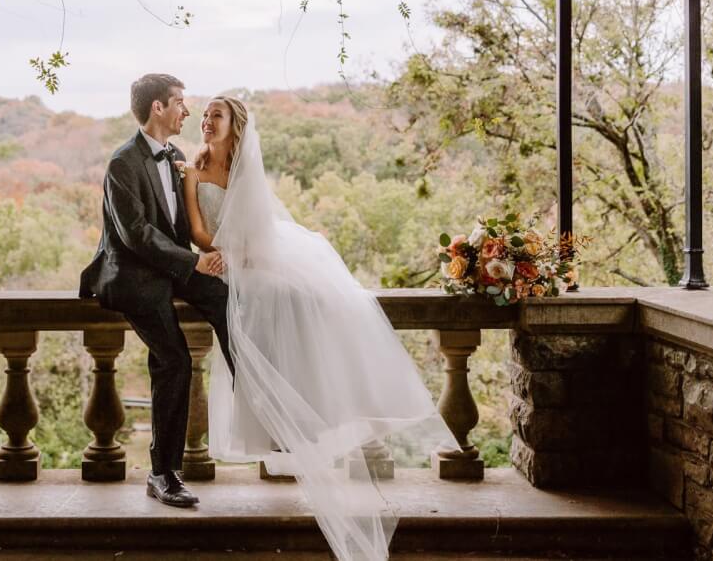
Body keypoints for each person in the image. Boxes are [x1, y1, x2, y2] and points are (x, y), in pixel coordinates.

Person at [181, 95, 449, 561]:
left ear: (235, 126)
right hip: (216, 261)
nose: (206, 122)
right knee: (261, 300)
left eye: (215, 116)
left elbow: (259, 231)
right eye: (204, 116)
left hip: (252, 257)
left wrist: (240, 256)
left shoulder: (247, 172)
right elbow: (197, 230)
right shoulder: (193, 169)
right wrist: (219, 253)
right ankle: (276, 420)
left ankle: (318, 406)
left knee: (308, 299)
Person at [79, 73, 235, 508]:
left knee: (230, 301)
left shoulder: (176, 155)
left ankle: (257, 400)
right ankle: (163, 473)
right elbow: (136, 235)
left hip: (172, 265)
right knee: (176, 360)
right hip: (132, 275)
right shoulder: (122, 163)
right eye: (180, 103)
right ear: (158, 109)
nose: (187, 110)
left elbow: (185, 226)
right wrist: (192, 262)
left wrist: (219, 255)